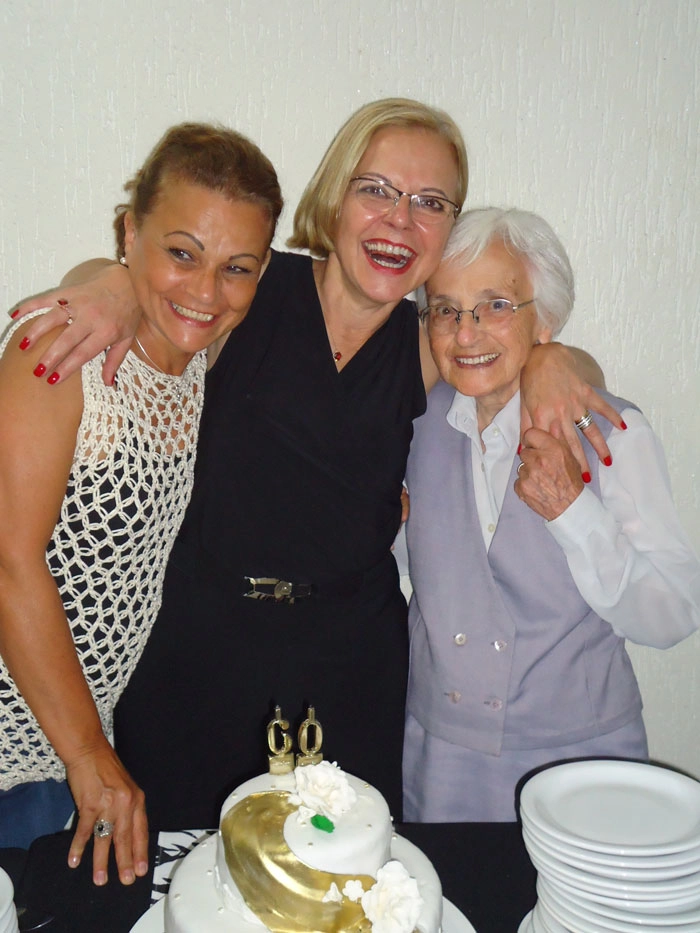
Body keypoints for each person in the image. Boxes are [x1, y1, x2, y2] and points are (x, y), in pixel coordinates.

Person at [10, 100, 619, 837]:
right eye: (377, 189)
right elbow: (152, 286)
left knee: (339, 891)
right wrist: (105, 277)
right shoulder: (246, 289)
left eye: (430, 202)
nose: (400, 219)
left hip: (350, 670)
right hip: (198, 660)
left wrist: (558, 358)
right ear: (336, 192)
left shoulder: (427, 343)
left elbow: (517, 344)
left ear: (447, 231)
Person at [0, 122, 282, 886]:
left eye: (238, 268)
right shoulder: (59, 349)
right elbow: (9, 563)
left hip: (64, 745)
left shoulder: (197, 350)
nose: (204, 290)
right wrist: (91, 754)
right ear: (131, 231)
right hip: (22, 743)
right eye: (181, 252)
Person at [402, 207, 700, 823]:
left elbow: (674, 615)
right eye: (446, 309)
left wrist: (573, 513)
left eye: (496, 306)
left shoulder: (610, 433)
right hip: (441, 757)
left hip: (581, 760)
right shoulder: (407, 425)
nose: (466, 332)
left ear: (547, 319)